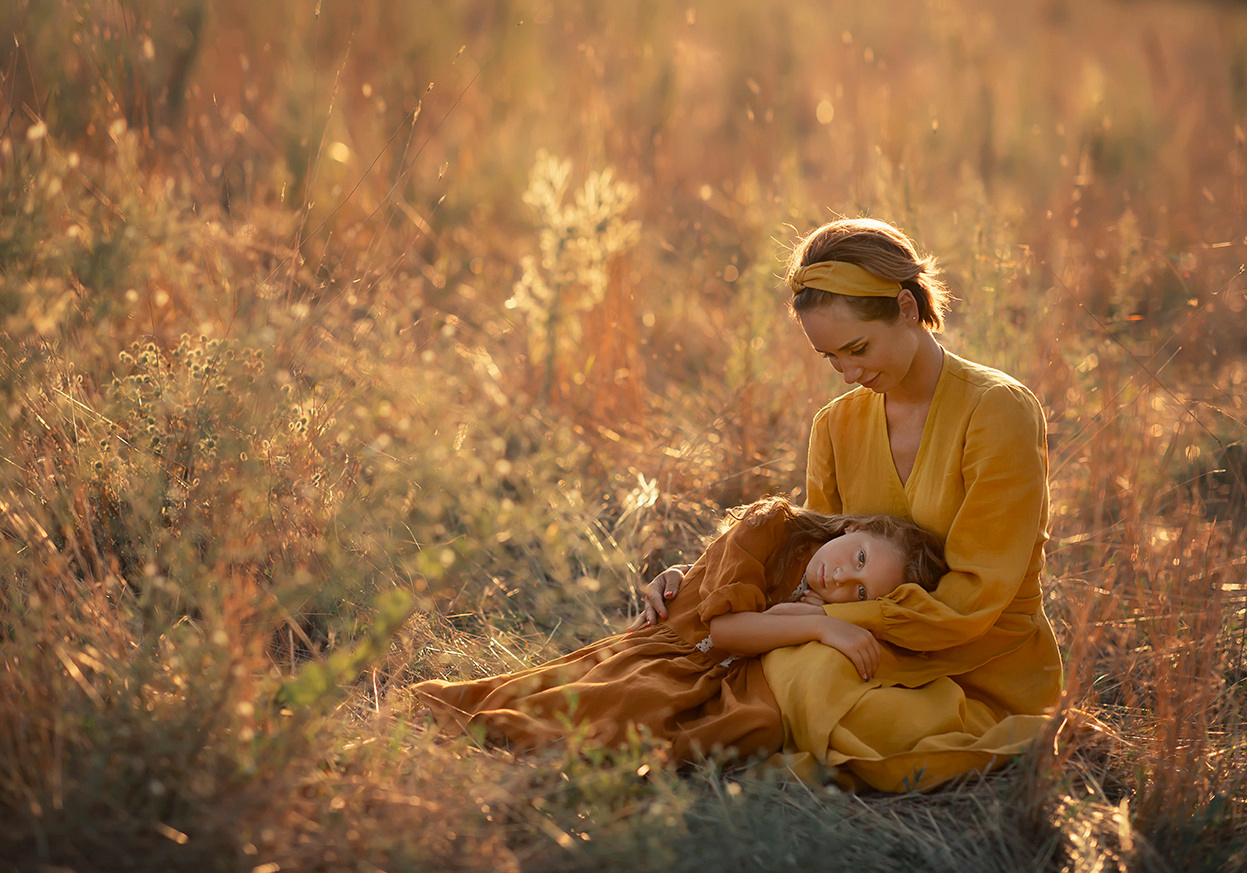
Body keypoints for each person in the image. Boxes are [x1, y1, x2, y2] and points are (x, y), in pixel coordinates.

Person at [638, 217, 1063, 792]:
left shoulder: (998, 412)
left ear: (908, 308)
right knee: (793, 667)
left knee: (807, 676)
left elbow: (976, 598)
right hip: (861, 648)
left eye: (858, 348)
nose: (850, 374)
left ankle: (803, 748)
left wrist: (820, 625)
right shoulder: (835, 426)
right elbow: (811, 560)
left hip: (978, 666)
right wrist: (702, 581)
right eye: (831, 359)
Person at [411, 497, 946, 766]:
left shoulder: (815, 596)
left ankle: (596, 758)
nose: (842, 577)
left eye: (858, 593)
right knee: (628, 701)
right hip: (674, 648)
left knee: (752, 727)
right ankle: (497, 729)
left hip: (715, 672)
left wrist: (817, 619)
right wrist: (826, 628)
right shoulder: (772, 524)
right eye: (857, 557)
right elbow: (731, 629)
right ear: (854, 528)